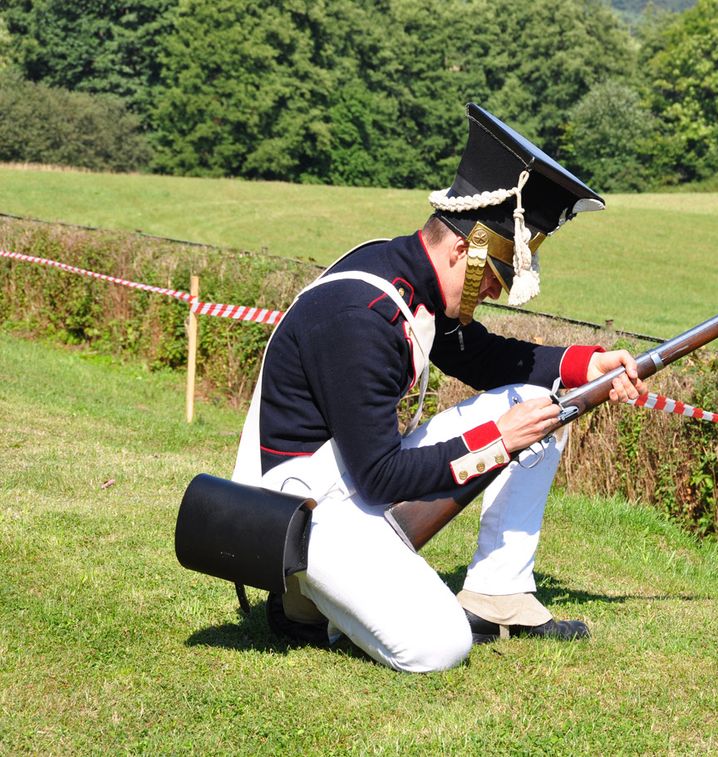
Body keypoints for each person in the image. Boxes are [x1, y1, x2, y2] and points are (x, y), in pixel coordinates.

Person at [230, 103, 647, 673]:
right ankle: (305, 602)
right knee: (440, 646)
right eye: (496, 277)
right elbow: (379, 479)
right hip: (300, 504)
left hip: (347, 477)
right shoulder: (361, 316)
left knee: (541, 404)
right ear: (462, 251)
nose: (497, 293)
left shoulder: (410, 274)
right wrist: (498, 440)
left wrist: (586, 366)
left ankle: (497, 593)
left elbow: (484, 358)